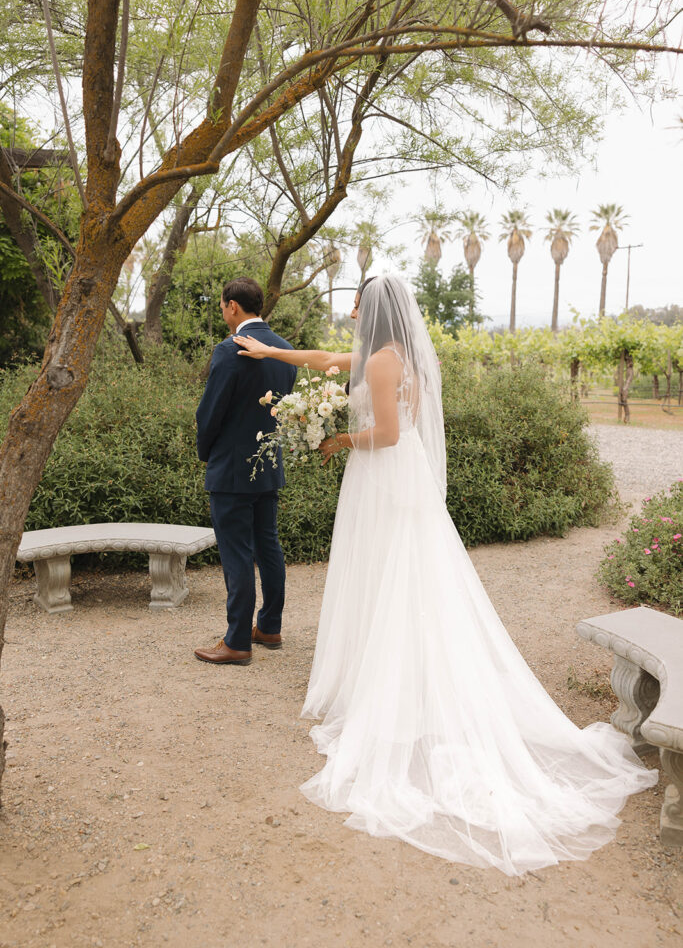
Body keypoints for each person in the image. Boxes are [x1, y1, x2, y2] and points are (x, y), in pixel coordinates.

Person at [233, 274, 657, 875]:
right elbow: (326, 357)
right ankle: (397, 671)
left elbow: (386, 434)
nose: (350, 310)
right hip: (395, 480)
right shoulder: (392, 355)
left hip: (385, 475)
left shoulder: (381, 362)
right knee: (402, 580)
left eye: (356, 302)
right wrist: (272, 351)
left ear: (374, 309)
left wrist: (336, 441)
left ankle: (400, 690)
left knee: (398, 577)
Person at [194, 277, 297, 666]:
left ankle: (237, 641)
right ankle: (269, 626)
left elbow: (210, 414)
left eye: (222, 305)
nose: (222, 311)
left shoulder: (229, 350)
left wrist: (208, 453)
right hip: (269, 465)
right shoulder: (285, 350)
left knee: (237, 553)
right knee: (267, 545)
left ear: (233, 306)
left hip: (232, 470)